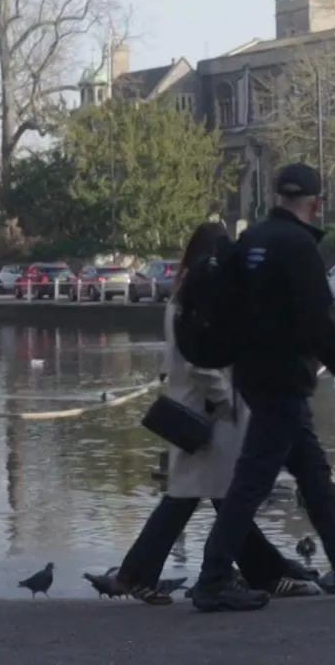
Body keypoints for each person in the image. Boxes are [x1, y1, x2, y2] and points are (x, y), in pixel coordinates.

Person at [190, 163, 335, 613]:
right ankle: (213, 578)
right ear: (316, 203)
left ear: (277, 197)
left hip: (251, 374)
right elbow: (317, 324)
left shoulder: (250, 240)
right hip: (284, 377)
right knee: (252, 480)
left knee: (313, 475)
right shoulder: (298, 247)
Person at [114, 221, 318, 605]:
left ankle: (264, 571)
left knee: (211, 496)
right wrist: (224, 399)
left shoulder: (180, 296)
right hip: (207, 415)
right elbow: (201, 360)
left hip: (188, 410)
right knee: (208, 497)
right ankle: (140, 574)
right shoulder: (200, 296)